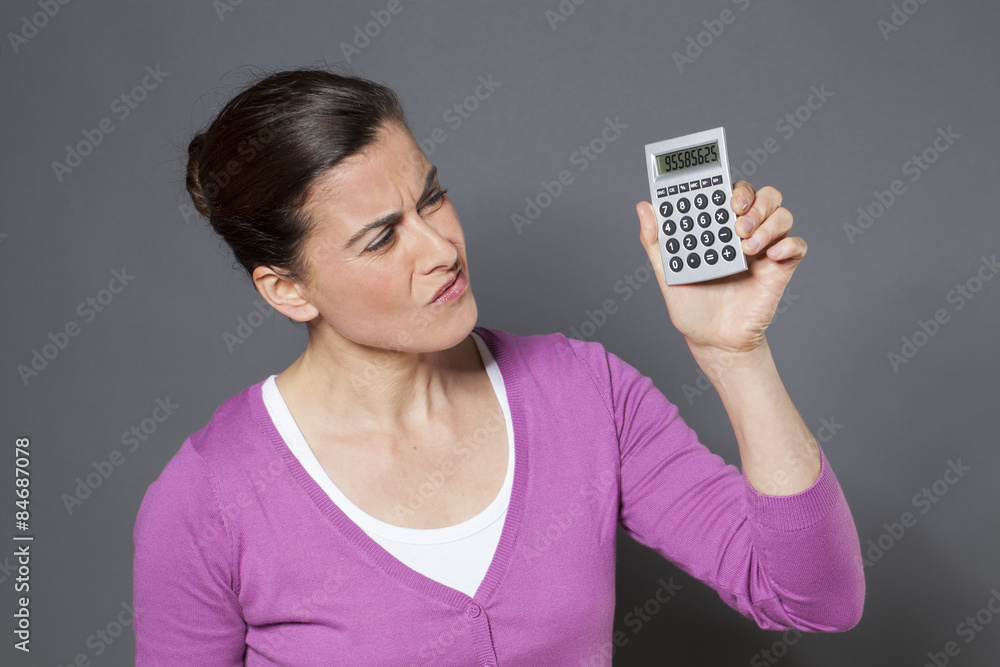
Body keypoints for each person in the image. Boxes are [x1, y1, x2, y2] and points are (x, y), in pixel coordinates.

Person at [132, 65, 865, 666]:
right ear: (287, 290)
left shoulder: (585, 392)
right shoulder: (207, 497)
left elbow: (815, 598)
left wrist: (734, 355)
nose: (441, 248)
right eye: (382, 239)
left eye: (432, 198)